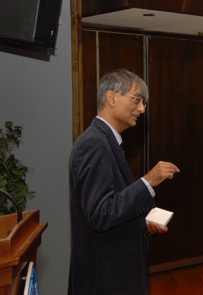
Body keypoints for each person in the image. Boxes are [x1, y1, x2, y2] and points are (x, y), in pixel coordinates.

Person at [68, 68, 180, 295]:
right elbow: (100, 214)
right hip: (106, 279)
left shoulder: (106, 141)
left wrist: (142, 223)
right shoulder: (95, 144)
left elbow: (112, 206)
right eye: (137, 100)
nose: (142, 108)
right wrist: (148, 181)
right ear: (111, 97)